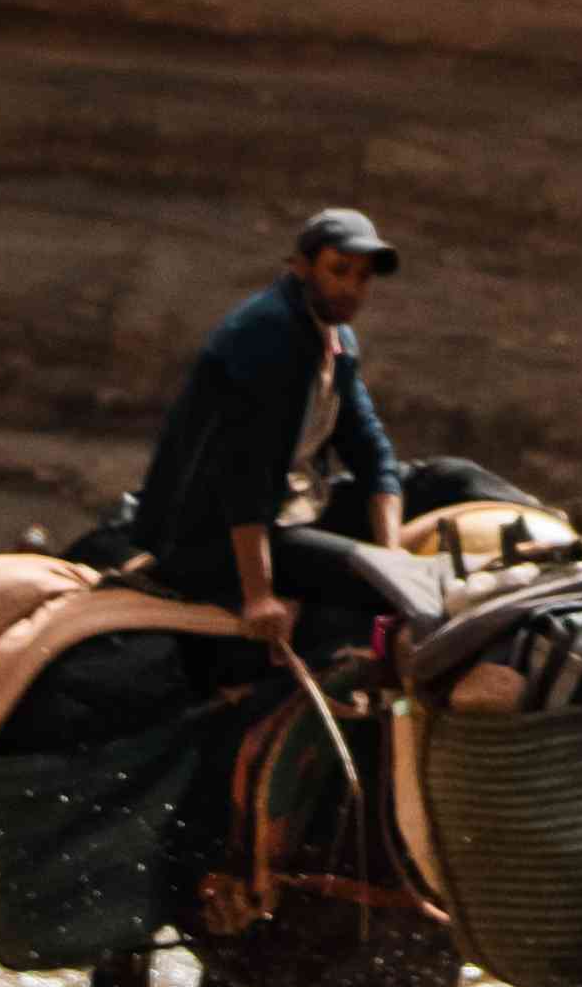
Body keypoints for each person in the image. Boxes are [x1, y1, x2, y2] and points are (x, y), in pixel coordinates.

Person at [128, 203, 412, 659]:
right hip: (210, 534)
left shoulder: (338, 340)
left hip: (292, 505)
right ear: (301, 267)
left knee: (445, 480)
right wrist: (259, 596)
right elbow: (244, 475)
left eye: (362, 277)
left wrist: (393, 553)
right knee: (375, 586)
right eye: (340, 271)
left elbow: (370, 449)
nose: (353, 289)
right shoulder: (266, 335)